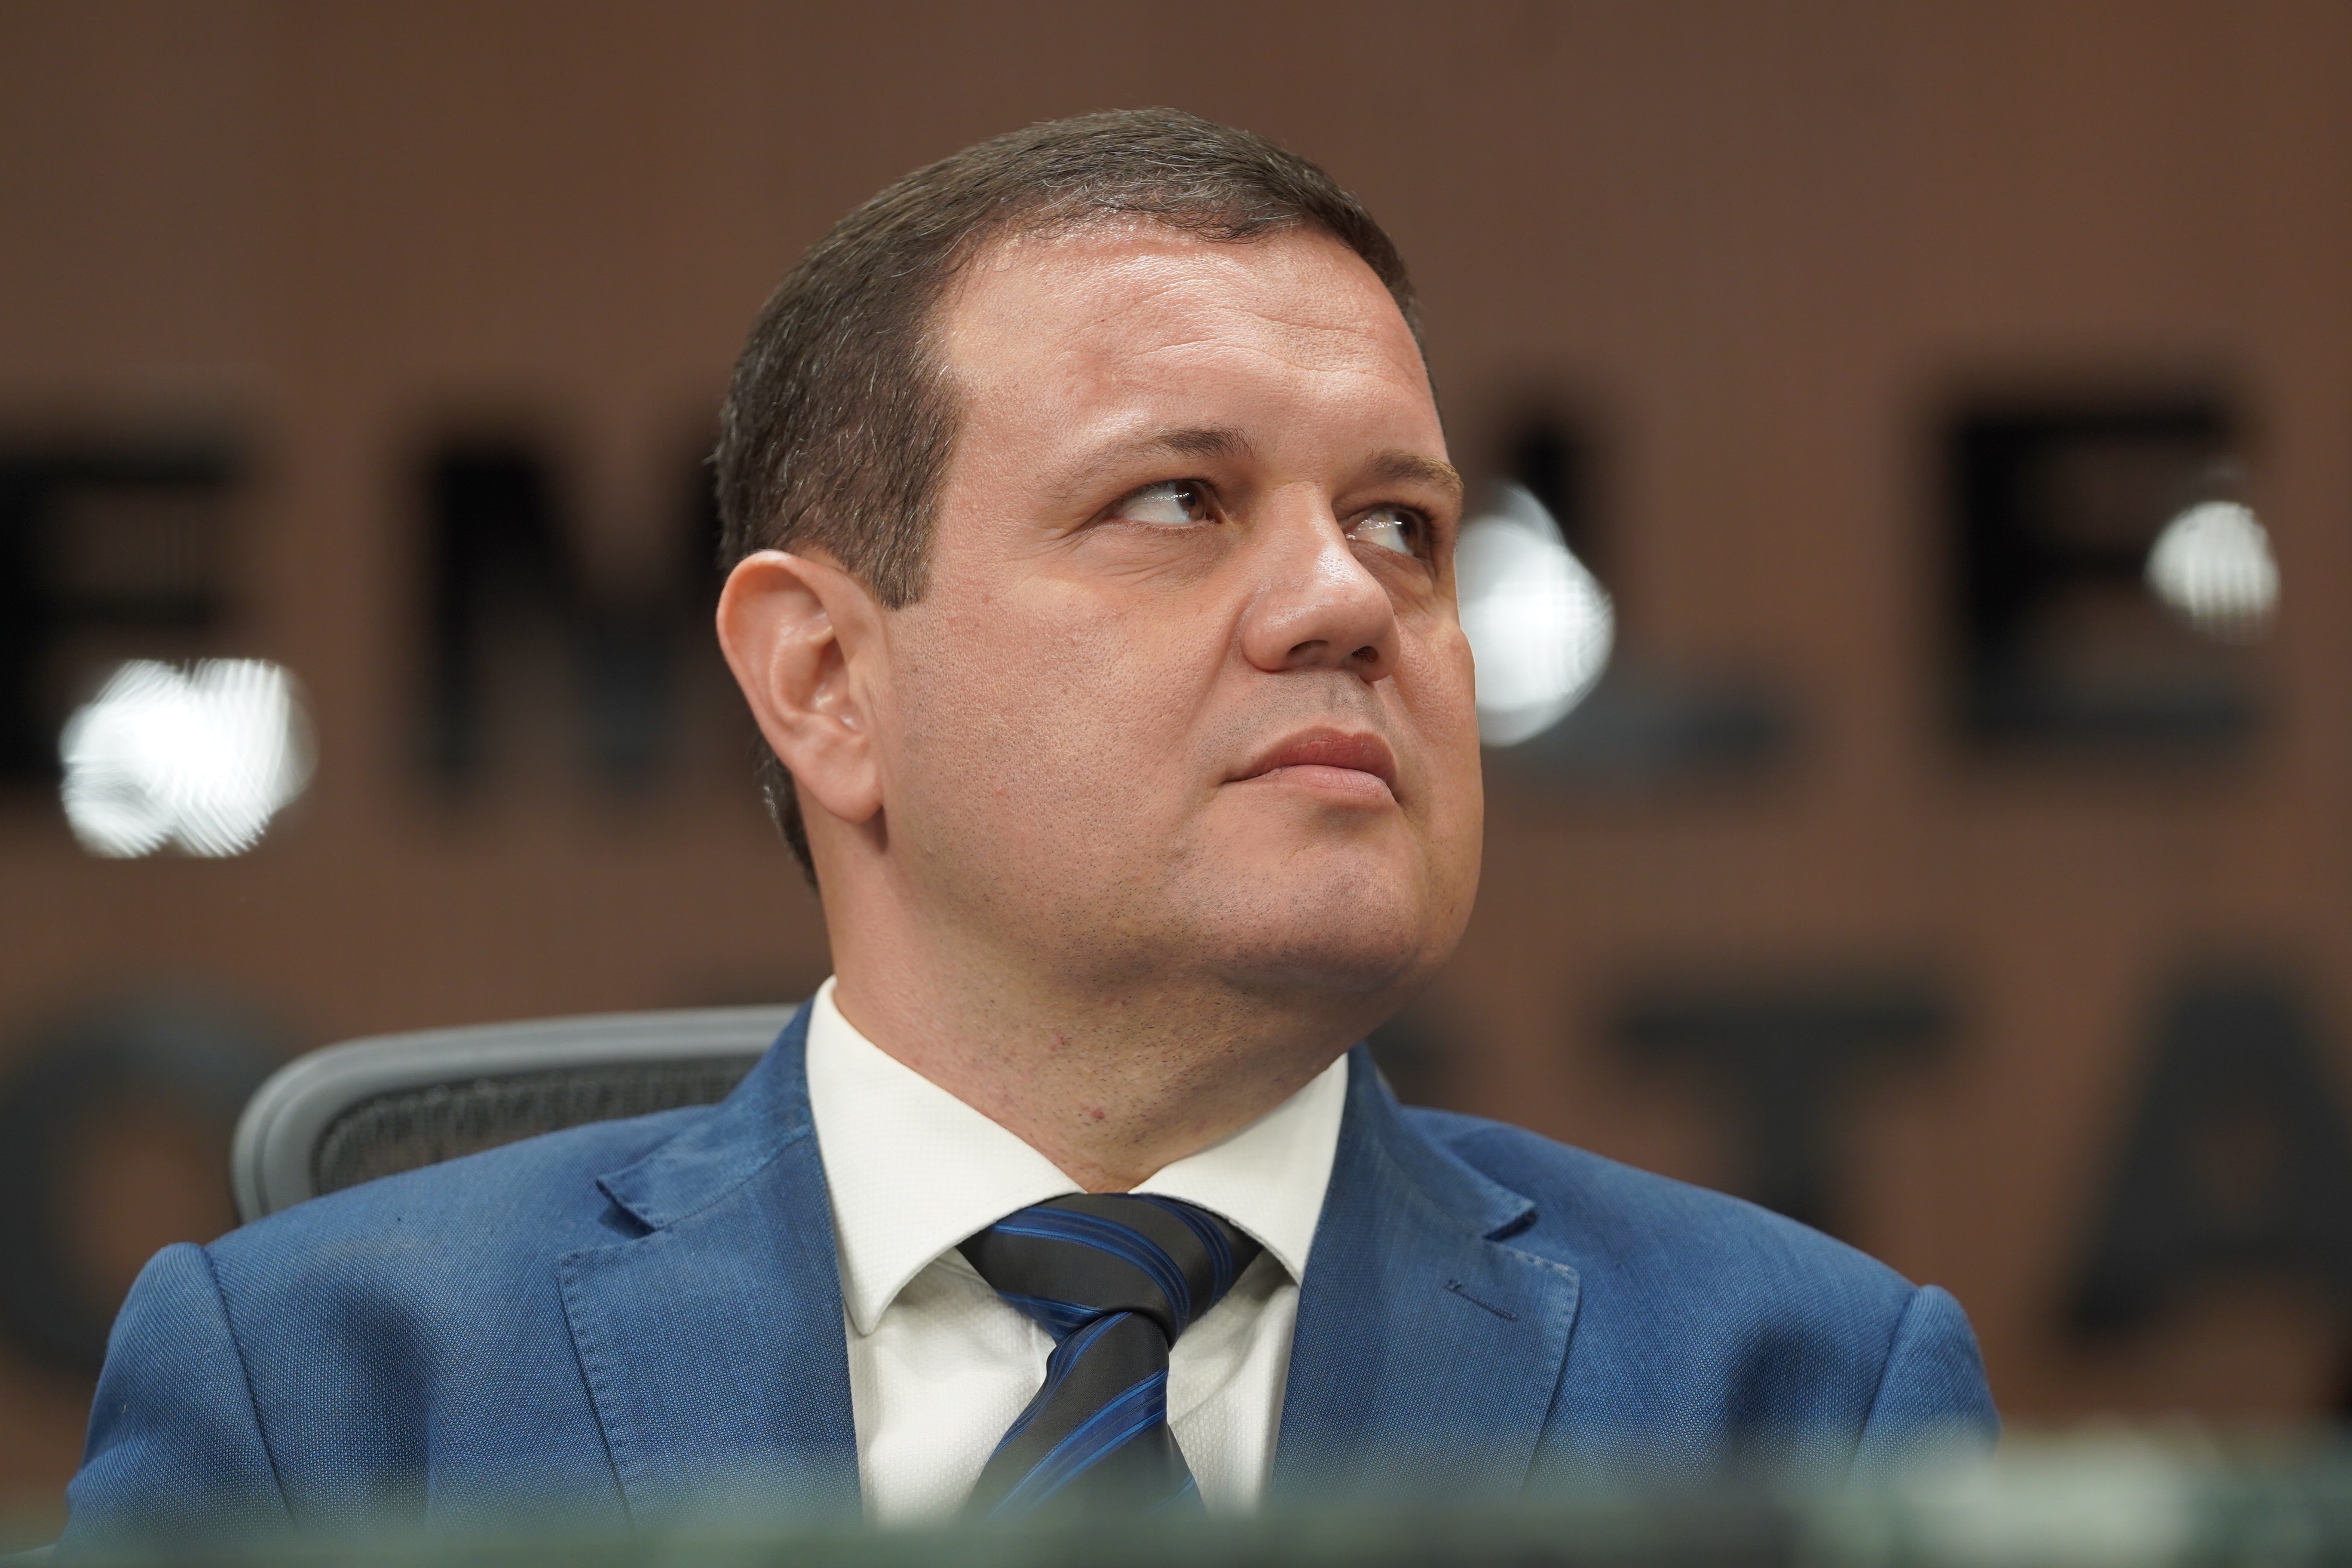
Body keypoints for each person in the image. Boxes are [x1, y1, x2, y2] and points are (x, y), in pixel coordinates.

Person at [63, 109, 1995, 1545]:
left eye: (1402, 523)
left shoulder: (1799, 1394)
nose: (1348, 600)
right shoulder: (322, 1388)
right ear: (825, 677)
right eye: (1178, 501)